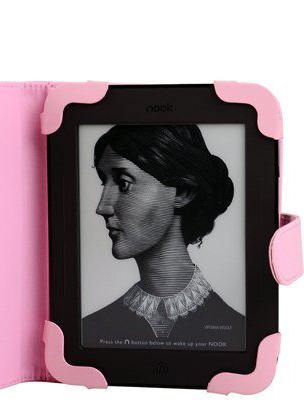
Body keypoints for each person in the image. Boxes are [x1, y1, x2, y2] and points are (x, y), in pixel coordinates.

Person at [82, 125, 245, 350]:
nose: (102, 207)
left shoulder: (238, 331)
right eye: (104, 182)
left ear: (182, 192)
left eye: (123, 184)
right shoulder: (91, 329)